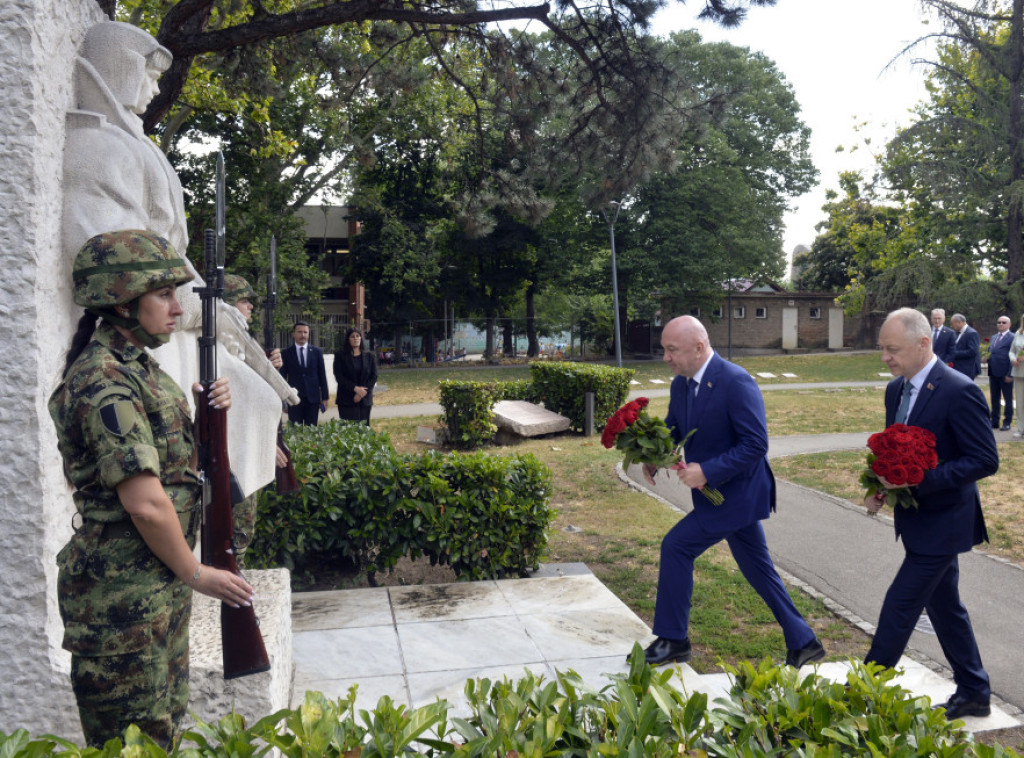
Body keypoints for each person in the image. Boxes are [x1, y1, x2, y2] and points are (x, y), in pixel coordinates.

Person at [63, 20, 297, 509]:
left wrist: (208, 305)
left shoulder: (131, 145)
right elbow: (115, 262)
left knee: (258, 401)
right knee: (243, 409)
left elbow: (164, 255)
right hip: (151, 327)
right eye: (146, 75)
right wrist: (190, 305)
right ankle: (212, 535)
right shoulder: (99, 149)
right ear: (117, 69)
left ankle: (226, 526)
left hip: (171, 314)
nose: (154, 89)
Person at [50, 231, 254, 748]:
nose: (177, 308)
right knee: (133, 744)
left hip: (152, 586)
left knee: (162, 731)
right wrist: (197, 572)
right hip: (121, 601)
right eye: (163, 294)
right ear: (121, 299)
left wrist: (207, 414)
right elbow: (143, 502)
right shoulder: (103, 381)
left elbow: (170, 464)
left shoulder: (138, 368)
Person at [633, 316, 825, 668]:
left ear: (699, 347)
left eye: (671, 349)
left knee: (676, 546)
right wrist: (652, 456)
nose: (666, 357)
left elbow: (756, 444)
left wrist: (707, 470)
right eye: (664, 349)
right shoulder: (682, 384)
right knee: (757, 568)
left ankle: (673, 639)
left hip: (739, 496)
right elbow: (673, 429)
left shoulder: (735, 381)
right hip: (717, 498)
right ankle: (804, 640)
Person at [864, 307, 998, 720]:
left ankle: (861, 694)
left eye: (893, 349)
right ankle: (974, 689)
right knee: (945, 607)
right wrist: (879, 488)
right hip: (917, 521)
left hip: (946, 522)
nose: (885, 357)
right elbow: (891, 451)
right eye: (882, 349)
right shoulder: (895, 390)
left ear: (923, 343)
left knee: (900, 605)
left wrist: (920, 481)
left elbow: (984, 459)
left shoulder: (959, 390)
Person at [221, 274, 289, 560]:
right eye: (244, 300)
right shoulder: (221, 348)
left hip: (246, 452)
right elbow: (233, 409)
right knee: (236, 534)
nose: (250, 306)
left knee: (243, 533)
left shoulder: (240, 344)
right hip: (235, 456)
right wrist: (263, 442)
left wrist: (273, 371)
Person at [279, 322, 329, 425]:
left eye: (305, 332)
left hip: (312, 399)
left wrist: (325, 398)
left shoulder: (316, 352)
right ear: (293, 334)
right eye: (300, 332)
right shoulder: (286, 353)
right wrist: (284, 400)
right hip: (294, 399)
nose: (303, 335)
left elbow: (322, 375)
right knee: (295, 431)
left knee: (311, 432)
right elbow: (282, 378)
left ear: (309, 334)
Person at [333, 328, 378, 425]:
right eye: (352, 336)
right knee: (348, 430)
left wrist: (362, 392)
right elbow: (339, 376)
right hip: (346, 399)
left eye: (358, 336)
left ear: (361, 339)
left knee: (364, 430)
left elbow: (374, 376)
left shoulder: (369, 356)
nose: (355, 338)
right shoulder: (340, 356)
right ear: (348, 339)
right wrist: (355, 389)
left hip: (364, 399)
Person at [987, 315, 1014, 431]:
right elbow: (991, 352)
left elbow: (1012, 355)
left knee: (1007, 399)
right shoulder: (993, 337)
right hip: (993, 372)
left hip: (1005, 373)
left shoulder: (1012, 337)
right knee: (994, 398)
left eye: (1004, 322)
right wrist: (986, 357)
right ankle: (995, 421)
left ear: (1009, 324)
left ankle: (1007, 422)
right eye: (999, 322)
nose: (1001, 324)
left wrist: (1010, 374)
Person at [949, 313, 982, 379]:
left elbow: (973, 351)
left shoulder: (972, 333)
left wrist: (955, 353)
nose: (951, 326)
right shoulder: (957, 333)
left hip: (967, 369)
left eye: (952, 324)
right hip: (958, 368)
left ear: (959, 322)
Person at [1010, 315, 1024, 440]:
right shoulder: (1018, 334)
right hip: (1019, 372)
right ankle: (1021, 429)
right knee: (1020, 402)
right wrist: (1013, 359)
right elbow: (1012, 351)